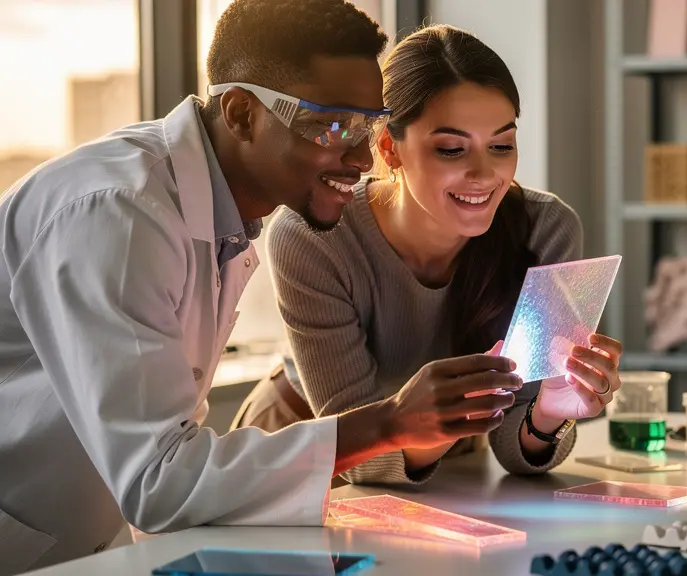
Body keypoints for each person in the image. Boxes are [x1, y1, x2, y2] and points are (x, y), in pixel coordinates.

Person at [0, 4, 521, 574]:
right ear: (243, 112)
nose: (363, 157)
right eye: (332, 125)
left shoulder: (221, 214)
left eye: (369, 125)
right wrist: (390, 421)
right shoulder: (121, 214)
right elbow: (159, 479)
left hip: (73, 542)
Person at [232, 24, 624, 484]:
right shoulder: (314, 235)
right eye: (452, 149)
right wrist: (449, 423)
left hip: (449, 459)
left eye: (501, 145)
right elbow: (358, 452)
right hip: (305, 450)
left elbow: (517, 452)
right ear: (388, 149)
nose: (483, 174)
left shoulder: (546, 230)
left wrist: (548, 413)